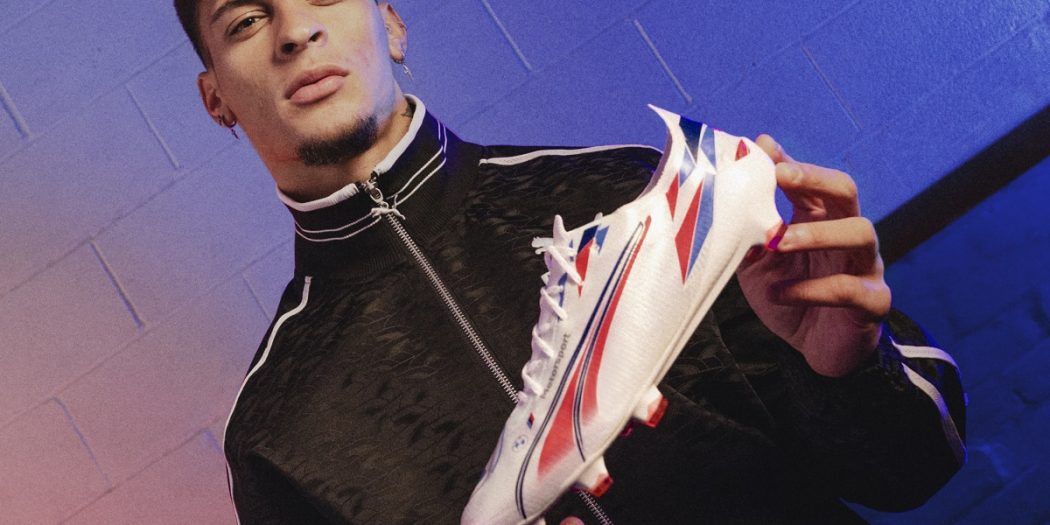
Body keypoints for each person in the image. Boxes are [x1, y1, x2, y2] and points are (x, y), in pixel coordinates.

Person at [175, 1, 966, 523]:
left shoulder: (637, 196)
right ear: (216, 99)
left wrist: (845, 368)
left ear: (391, 23)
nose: (294, 32)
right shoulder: (274, 429)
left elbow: (913, 470)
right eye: (245, 20)